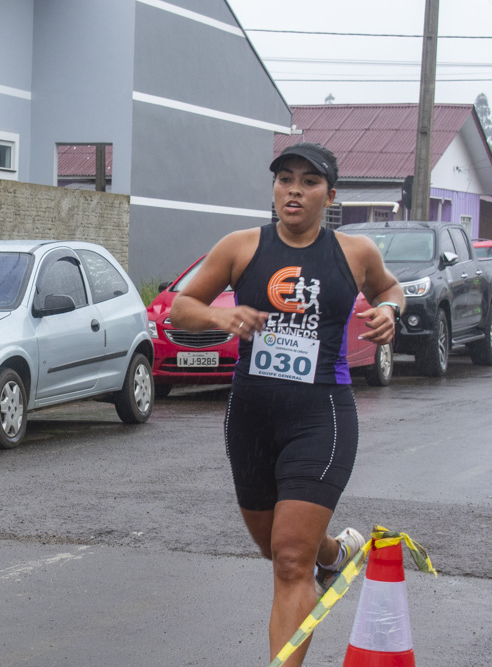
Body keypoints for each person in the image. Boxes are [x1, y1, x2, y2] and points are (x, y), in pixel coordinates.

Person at [169, 142, 404, 667]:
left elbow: (389, 288)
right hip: (251, 417)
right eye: (285, 180)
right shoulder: (241, 247)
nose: (294, 190)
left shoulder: (355, 252)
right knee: (276, 549)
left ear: (330, 195)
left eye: (309, 182)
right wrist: (221, 318)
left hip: (321, 415)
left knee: (289, 562)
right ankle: (336, 554)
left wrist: (388, 309)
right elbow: (180, 308)